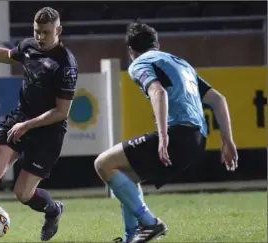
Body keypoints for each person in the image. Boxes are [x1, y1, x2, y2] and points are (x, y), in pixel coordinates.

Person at [94, 21, 238, 243]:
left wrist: (163, 136)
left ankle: (150, 223)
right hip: (198, 139)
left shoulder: (139, 63)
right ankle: (131, 237)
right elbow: (218, 100)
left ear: (131, 51)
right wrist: (227, 140)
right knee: (126, 174)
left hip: (177, 134)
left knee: (103, 164)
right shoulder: (181, 63)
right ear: (157, 44)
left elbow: (157, 92)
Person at [0, 7, 78, 243]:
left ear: (58, 30)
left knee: (23, 193)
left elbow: (62, 112)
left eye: (46, 32)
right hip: (20, 118)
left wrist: (28, 125)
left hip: (48, 130)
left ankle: (52, 210)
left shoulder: (66, 64)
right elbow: (6, 55)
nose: (40, 37)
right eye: (37, 31)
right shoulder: (29, 46)